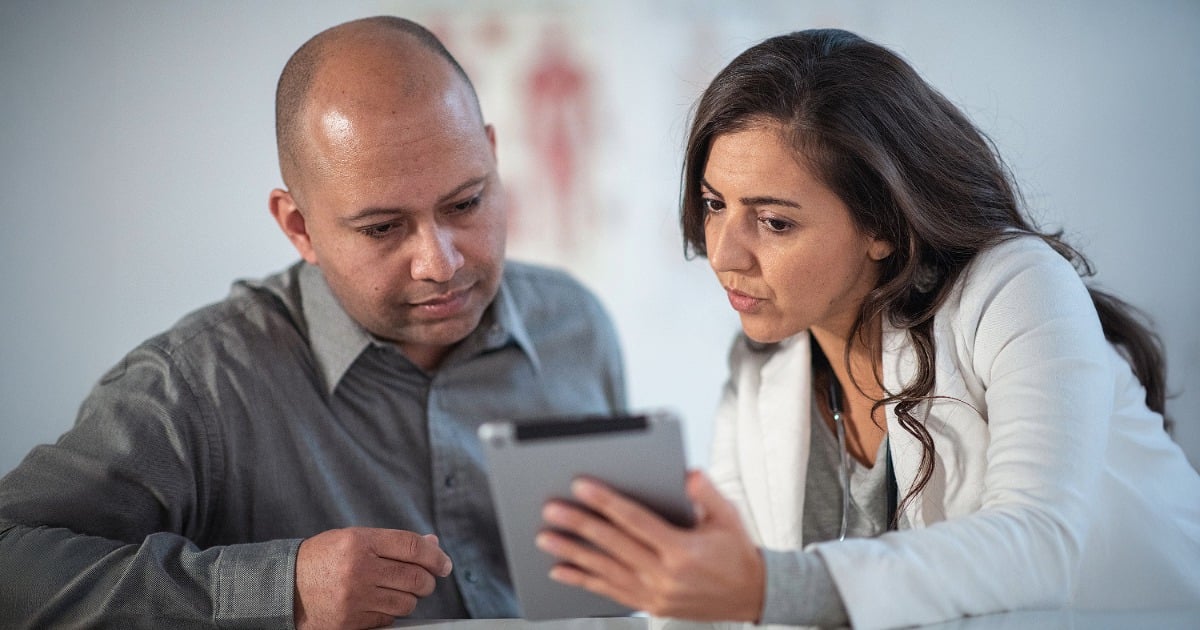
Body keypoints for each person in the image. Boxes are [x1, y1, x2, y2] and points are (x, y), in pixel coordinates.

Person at [536, 28, 1200, 629]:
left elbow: (1038, 544)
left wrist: (764, 586)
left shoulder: (1015, 286)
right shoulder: (763, 366)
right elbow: (730, 602)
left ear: (881, 225)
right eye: (715, 205)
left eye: (774, 223)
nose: (723, 254)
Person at [0, 16, 625, 630]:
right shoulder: (195, 386)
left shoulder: (573, 324)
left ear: (490, 154)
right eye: (382, 228)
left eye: (465, 203)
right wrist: (278, 592)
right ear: (298, 226)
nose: (442, 263)